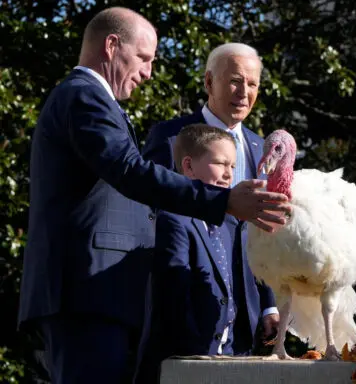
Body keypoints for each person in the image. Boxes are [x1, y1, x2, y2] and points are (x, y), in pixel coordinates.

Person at [17, 8, 290, 384]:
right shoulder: (84, 97)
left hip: (101, 296)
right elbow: (131, 171)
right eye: (144, 59)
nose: (147, 73)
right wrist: (222, 200)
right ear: (112, 46)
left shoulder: (91, 100)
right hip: (89, 293)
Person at [142, 42, 280, 343]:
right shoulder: (171, 138)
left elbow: (263, 230)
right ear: (208, 82)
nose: (244, 92)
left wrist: (269, 302)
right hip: (188, 301)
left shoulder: (262, 148)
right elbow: (150, 212)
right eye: (234, 80)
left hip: (248, 309)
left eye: (252, 84)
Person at [135, 124, 276, 382]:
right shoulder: (173, 220)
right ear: (188, 167)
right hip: (187, 364)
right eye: (220, 164)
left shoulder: (233, 225)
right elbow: (174, 298)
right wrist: (196, 358)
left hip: (232, 360)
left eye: (233, 167)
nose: (228, 175)